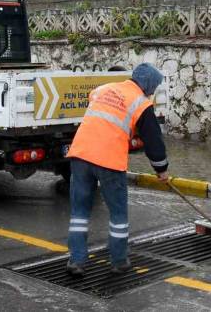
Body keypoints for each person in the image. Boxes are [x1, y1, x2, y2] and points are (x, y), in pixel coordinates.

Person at [65, 63, 169, 277]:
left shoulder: (104, 89)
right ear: (147, 84)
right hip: (109, 160)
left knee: (79, 212)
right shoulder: (141, 103)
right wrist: (162, 170)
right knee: (118, 214)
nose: (153, 91)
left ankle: (76, 260)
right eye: (154, 86)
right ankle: (119, 260)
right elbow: (154, 141)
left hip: (80, 154)